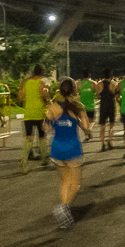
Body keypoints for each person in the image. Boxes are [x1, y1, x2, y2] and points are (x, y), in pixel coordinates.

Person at [45, 78, 91, 229]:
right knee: (75, 183)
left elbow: (45, 128)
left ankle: (65, 211)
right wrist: (86, 129)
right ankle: (63, 207)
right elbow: (86, 126)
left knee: (65, 182)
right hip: (72, 149)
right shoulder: (78, 106)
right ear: (73, 90)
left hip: (57, 149)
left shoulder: (53, 107)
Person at [18, 64, 50, 172]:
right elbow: (44, 95)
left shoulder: (26, 82)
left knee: (28, 138)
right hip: (40, 112)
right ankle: (44, 159)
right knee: (41, 136)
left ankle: (24, 163)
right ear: (42, 71)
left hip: (28, 113)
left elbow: (21, 97)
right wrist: (48, 103)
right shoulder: (43, 81)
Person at [97, 68, 118, 151]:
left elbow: (98, 95)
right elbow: (116, 94)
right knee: (111, 125)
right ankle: (110, 141)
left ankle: (102, 144)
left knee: (102, 126)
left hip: (103, 106)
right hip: (111, 105)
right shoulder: (113, 83)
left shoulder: (99, 84)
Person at [78, 69, 97, 141]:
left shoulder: (79, 84)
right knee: (92, 121)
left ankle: (87, 135)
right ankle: (89, 129)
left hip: (82, 106)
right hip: (91, 105)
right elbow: (96, 93)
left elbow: (76, 93)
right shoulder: (93, 83)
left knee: (83, 121)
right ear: (89, 75)